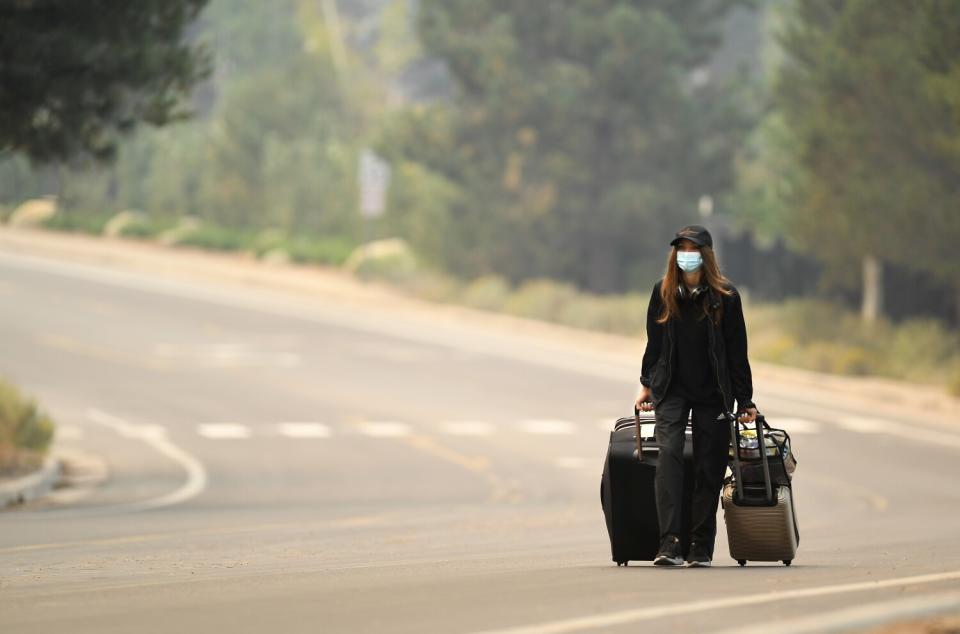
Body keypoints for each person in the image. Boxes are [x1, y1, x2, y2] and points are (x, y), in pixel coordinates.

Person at [634, 225, 757, 568]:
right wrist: (646, 383)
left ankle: (700, 545)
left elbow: (737, 352)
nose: (687, 254)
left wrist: (745, 400)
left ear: (707, 255)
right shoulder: (663, 292)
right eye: (682, 248)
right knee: (670, 454)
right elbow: (654, 344)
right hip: (671, 387)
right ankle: (669, 543)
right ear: (675, 254)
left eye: (693, 248)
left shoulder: (726, 297)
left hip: (713, 393)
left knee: (709, 464)